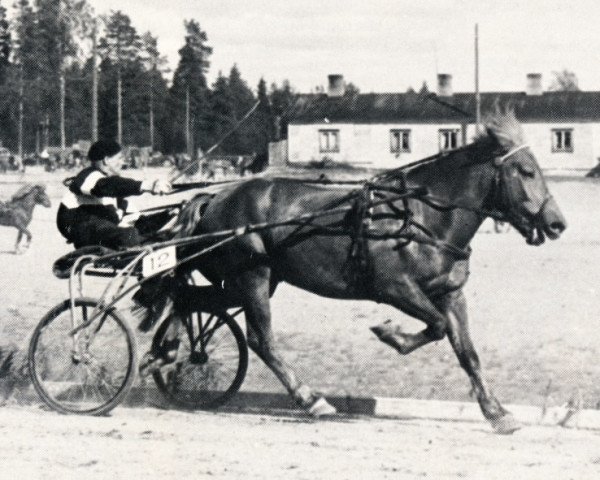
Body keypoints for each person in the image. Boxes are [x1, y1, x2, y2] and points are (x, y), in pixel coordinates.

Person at [56, 139, 180, 373]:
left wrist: (171, 212)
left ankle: (148, 294)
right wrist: (148, 185)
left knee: (162, 241)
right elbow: (107, 186)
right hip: (81, 230)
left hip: (108, 233)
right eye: (118, 158)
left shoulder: (119, 201)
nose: (123, 161)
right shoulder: (88, 176)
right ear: (104, 160)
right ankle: (148, 292)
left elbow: (141, 223)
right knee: (128, 235)